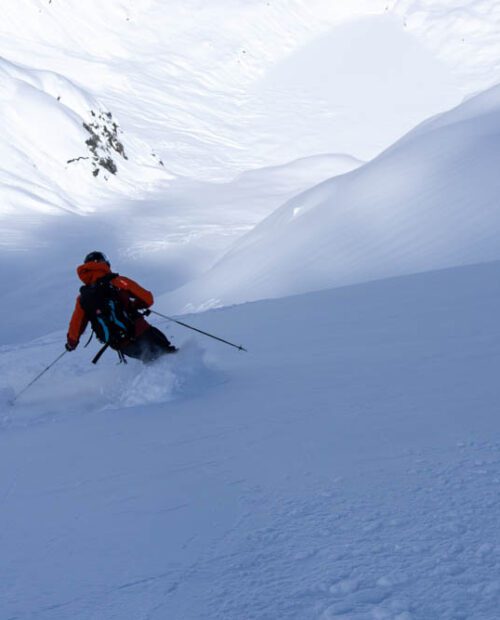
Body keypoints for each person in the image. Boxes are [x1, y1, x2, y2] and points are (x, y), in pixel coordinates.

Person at [66, 251, 177, 363]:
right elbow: (148, 299)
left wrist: (71, 344)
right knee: (170, 357)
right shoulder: (117, 282)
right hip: (141, 331)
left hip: (121, 344)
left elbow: (76, 326)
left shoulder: (82, 299)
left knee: (152, 362)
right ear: (105, 264)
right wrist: (135, 305)